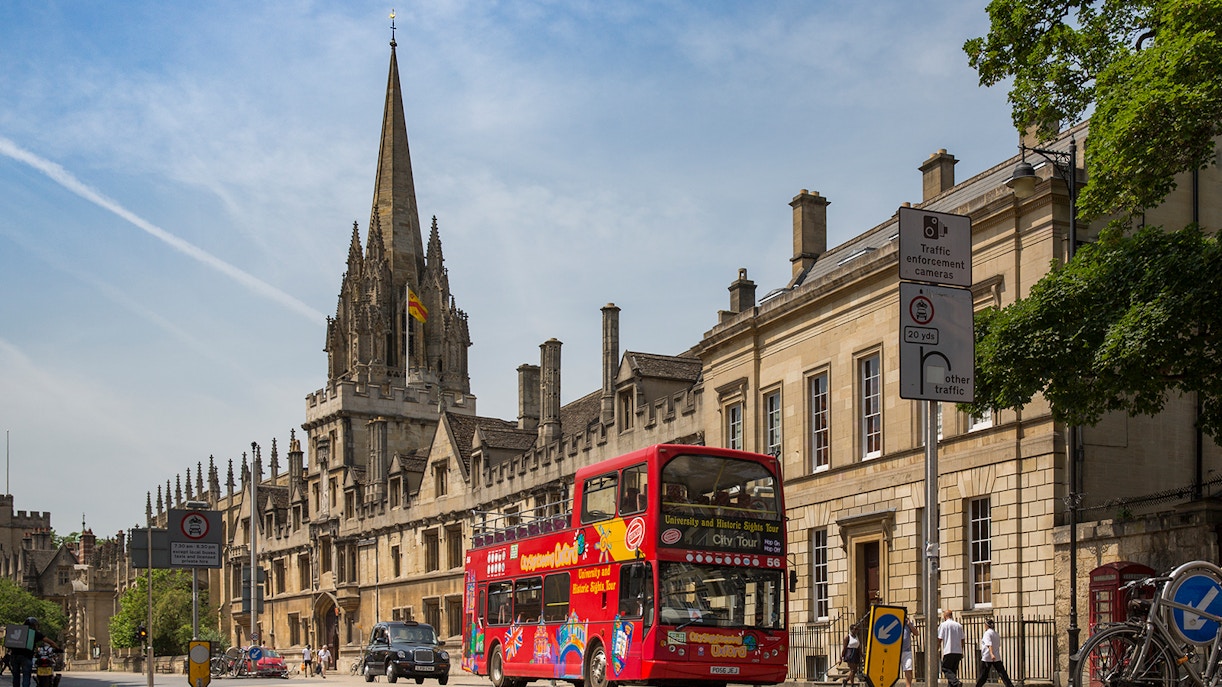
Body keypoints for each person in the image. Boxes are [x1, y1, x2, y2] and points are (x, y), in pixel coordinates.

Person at [10, 618, 58, 687]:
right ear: (34, 625)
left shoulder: (19, 631)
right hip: (26, 656)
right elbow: (50, 642)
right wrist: (58, 648)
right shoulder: (35, 633)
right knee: (26, 676)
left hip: (14, 656)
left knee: (16, 676)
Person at [975, 618, 1016, 687]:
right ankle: (1010, 685)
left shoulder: (987, 633)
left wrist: (991, 654)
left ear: (986, 625)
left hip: (987, 657)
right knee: (1002, 673)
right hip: (996, 657)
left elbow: (989, 644)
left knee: (983, 675)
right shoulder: (996, 633)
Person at [938, 610, 965, 687]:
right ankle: (954, 684)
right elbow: (962, 639)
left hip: (949, 650)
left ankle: (956, 682)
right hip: (958, 651)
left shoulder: (943, 625)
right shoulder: (959, 625)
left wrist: (937, 648)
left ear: (945, 616)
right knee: (953, 672)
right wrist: (961, 650)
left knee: (945, 668)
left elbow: (939, 639)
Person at [901, 616, 917, 687]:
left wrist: (910, 625)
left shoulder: (908, 624)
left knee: (908, 669)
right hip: (896, 651)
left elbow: (916, 633)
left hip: (907, 651)